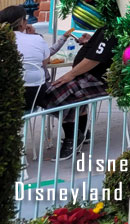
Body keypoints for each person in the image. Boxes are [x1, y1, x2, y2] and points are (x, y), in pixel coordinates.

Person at [40, 25, 114, 159]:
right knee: (64, 92)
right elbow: (101, 49)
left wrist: (71, 74)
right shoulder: (106, 26)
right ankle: (82, 134)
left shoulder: (112, 27)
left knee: (57, 95)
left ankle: (72, 137)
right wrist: (90, 42)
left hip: (99, 79)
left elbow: (95, 58)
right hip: (89, 76)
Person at [0, 5, 74, 112]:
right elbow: (45, 63)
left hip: (7, 95)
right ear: (21, 22)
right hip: (33, 95)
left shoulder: (4, 40)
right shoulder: (37, 39)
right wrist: (34, 35)